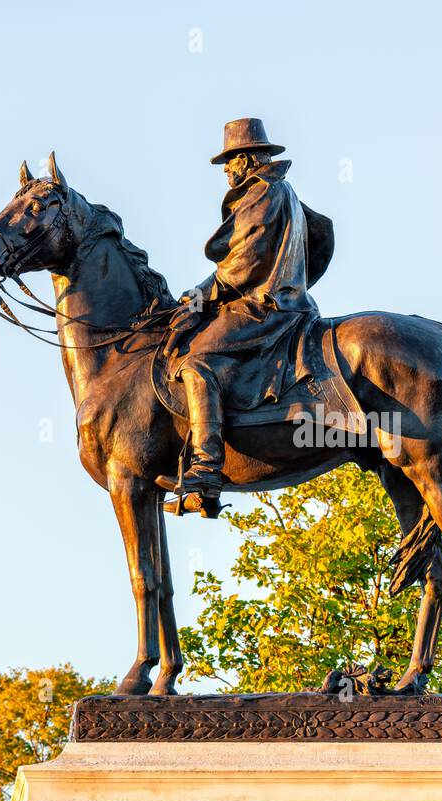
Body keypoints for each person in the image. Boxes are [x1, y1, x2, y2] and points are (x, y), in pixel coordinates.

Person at [158, 118, 325, 516]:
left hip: (267, 304)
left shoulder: (265, 192)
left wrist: (198, 298)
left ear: (246, 160)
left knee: (196, 362)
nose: (226, 172)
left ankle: (206, 468)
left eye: (229, 163)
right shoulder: (275, 192)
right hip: (270, 298)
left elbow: (244, 264)